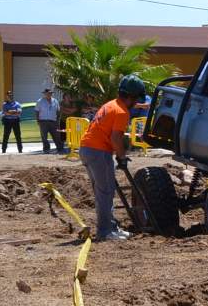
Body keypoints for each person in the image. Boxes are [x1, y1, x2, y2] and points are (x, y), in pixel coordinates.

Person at [79, 74, 147, 241]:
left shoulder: (110, 104)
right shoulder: (122, 112)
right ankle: (105, 232)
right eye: (136, 99)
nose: (136, 103)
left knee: (102, 191)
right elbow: (115, 138)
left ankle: (111, 227)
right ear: (131, 97)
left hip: (87, 148)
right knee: (106, 192)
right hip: (98, 151)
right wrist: (122, 157)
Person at [36, 88, 64, 154]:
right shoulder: (40, 101)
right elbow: (37, 111)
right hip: (43, 121)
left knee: (57, 136)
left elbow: (58, 111)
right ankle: (46, 149)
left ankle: (60, 148)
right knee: (44, 137)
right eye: (48, 93)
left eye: (50, 93)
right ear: (44, 94)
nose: (49, 94)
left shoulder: (55, 101)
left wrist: (58, 120)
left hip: (53, 121)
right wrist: (38, 120)